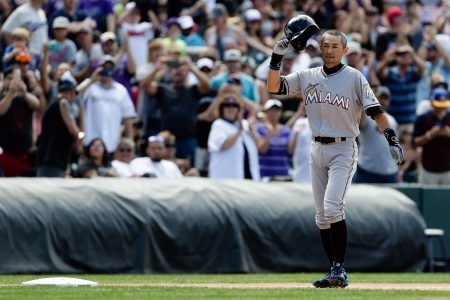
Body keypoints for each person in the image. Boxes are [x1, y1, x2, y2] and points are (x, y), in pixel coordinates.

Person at [267, 29, 404, 288]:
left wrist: (391, 137)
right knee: (321, 216)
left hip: (344, 147)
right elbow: (273, 87)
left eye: (334, 46)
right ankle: (335, 271)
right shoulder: (308, 76)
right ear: (319, 48)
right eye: (325, 45)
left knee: (332, 207)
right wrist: (276, 57)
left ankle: (339, 269)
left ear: (345, 50)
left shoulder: (354, 77)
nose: (329, 50)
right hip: (316, 147)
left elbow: (375, 111)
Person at [78, 55, 137, 155]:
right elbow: (75, 95)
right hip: (90, 143)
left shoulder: (121, 90)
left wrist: (130, 141)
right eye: (104, 67)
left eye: (110, 67)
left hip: (112, 144)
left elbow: (128, 117)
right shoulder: (90, 86)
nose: (107, 70)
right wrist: (92, 79)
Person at [36, 71, 82, 177]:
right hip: (53, 159)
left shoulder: (53, 103)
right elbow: (73, 130)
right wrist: (80, 136)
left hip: (48, 158)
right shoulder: (63, 103)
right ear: (72, 92)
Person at [208, 93, 260, 180]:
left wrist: (250, 128)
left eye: (235, 106)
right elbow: (223, 145)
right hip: (225, 180)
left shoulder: (245, 124)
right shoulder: (219, 125)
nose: (231, 108)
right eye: (227, 105)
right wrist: (239, 131)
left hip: (249, 179)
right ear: (222, 109)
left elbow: (259, 145)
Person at [353, 86, 399, 183]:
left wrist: (397, 169)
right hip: (368, 171)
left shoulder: (392, 120)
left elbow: (394, 144)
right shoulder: (366, 115)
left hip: (390, 172)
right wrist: (365, 98)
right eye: (379, 97)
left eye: (385, 98)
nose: (382, 100)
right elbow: (360, 124)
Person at [413, 87, 450, 184]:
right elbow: (414, 143)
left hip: (448, 168)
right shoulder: (423, 118)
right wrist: (430, 135)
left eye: (443, 105)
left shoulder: (449, 117)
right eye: (438, 105)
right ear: (432, 102)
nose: (441, 108)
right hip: (429, 168)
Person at [256, 99, 291, 180]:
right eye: (271, 110)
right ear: (265, 113)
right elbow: (262, 150)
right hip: (265, 176)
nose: (274, 113)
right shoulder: (259, 129)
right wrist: (270, 131)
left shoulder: (285, 130)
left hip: (283, 175)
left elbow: (290, 152)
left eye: (277, 110)